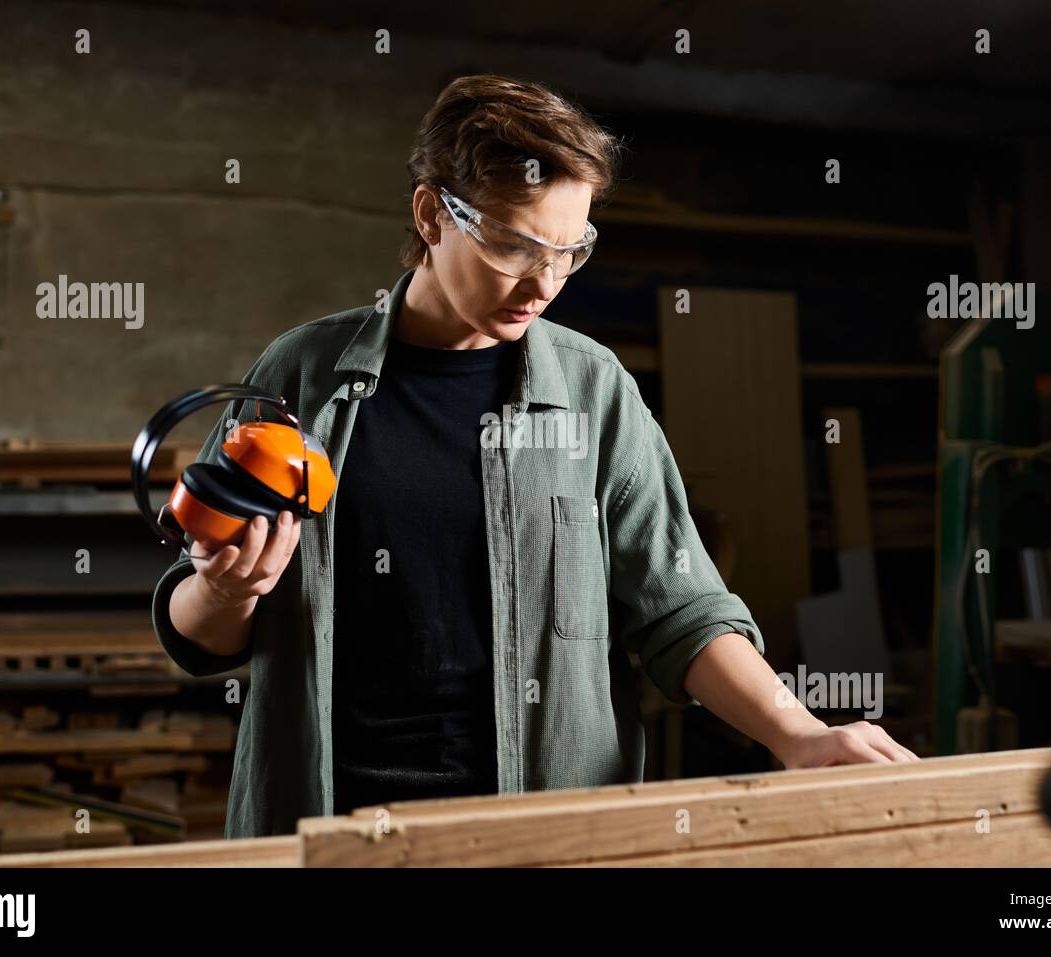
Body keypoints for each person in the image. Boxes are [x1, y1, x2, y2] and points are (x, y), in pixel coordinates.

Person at [153, 73, 916, 838]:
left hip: (545, 833)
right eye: (515, 245)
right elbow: (198, 630)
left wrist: (797, 732)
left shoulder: (593, 391)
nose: (545, 282)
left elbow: (680, 608)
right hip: (335, 827)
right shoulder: (300, 376)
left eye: (570, 250)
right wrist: (225, 592)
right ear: (431, 215)